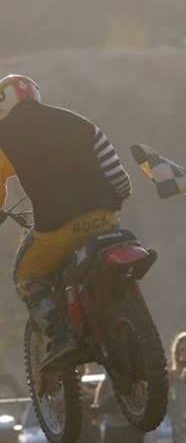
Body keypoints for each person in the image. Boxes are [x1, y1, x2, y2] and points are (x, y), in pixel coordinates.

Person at [0, 74, 131, 369]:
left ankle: (61, 336)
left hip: (57, 226)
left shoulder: (4, 134)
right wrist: (118, 197)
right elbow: (115, 171)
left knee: (27, 276)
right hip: (105, 216)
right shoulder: (79, 122)